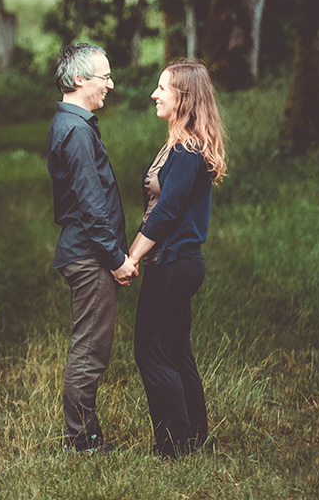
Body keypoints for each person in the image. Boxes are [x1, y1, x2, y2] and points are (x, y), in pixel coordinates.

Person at [127, 60, 227, 458]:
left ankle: (172, 443)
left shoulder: (186, 149)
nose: (155, 93)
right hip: (177, 262)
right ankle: (194, 436)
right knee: (174, 347)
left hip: (173, 263)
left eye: (162, 88)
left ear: (183, 97)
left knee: (150, 348)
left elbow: (166, 211)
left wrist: (132, 256)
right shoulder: (181, 143)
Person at [47, 42, 137, 453]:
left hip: (84, 251)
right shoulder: (76, 130)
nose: (110, 84)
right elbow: (91, 205)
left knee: (90, 348)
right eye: (105, 77)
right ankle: (82, 442)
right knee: (90, 351)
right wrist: (116, 259)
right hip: (89, 255)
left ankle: (84, 437)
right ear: (80, 79)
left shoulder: (72, 124)